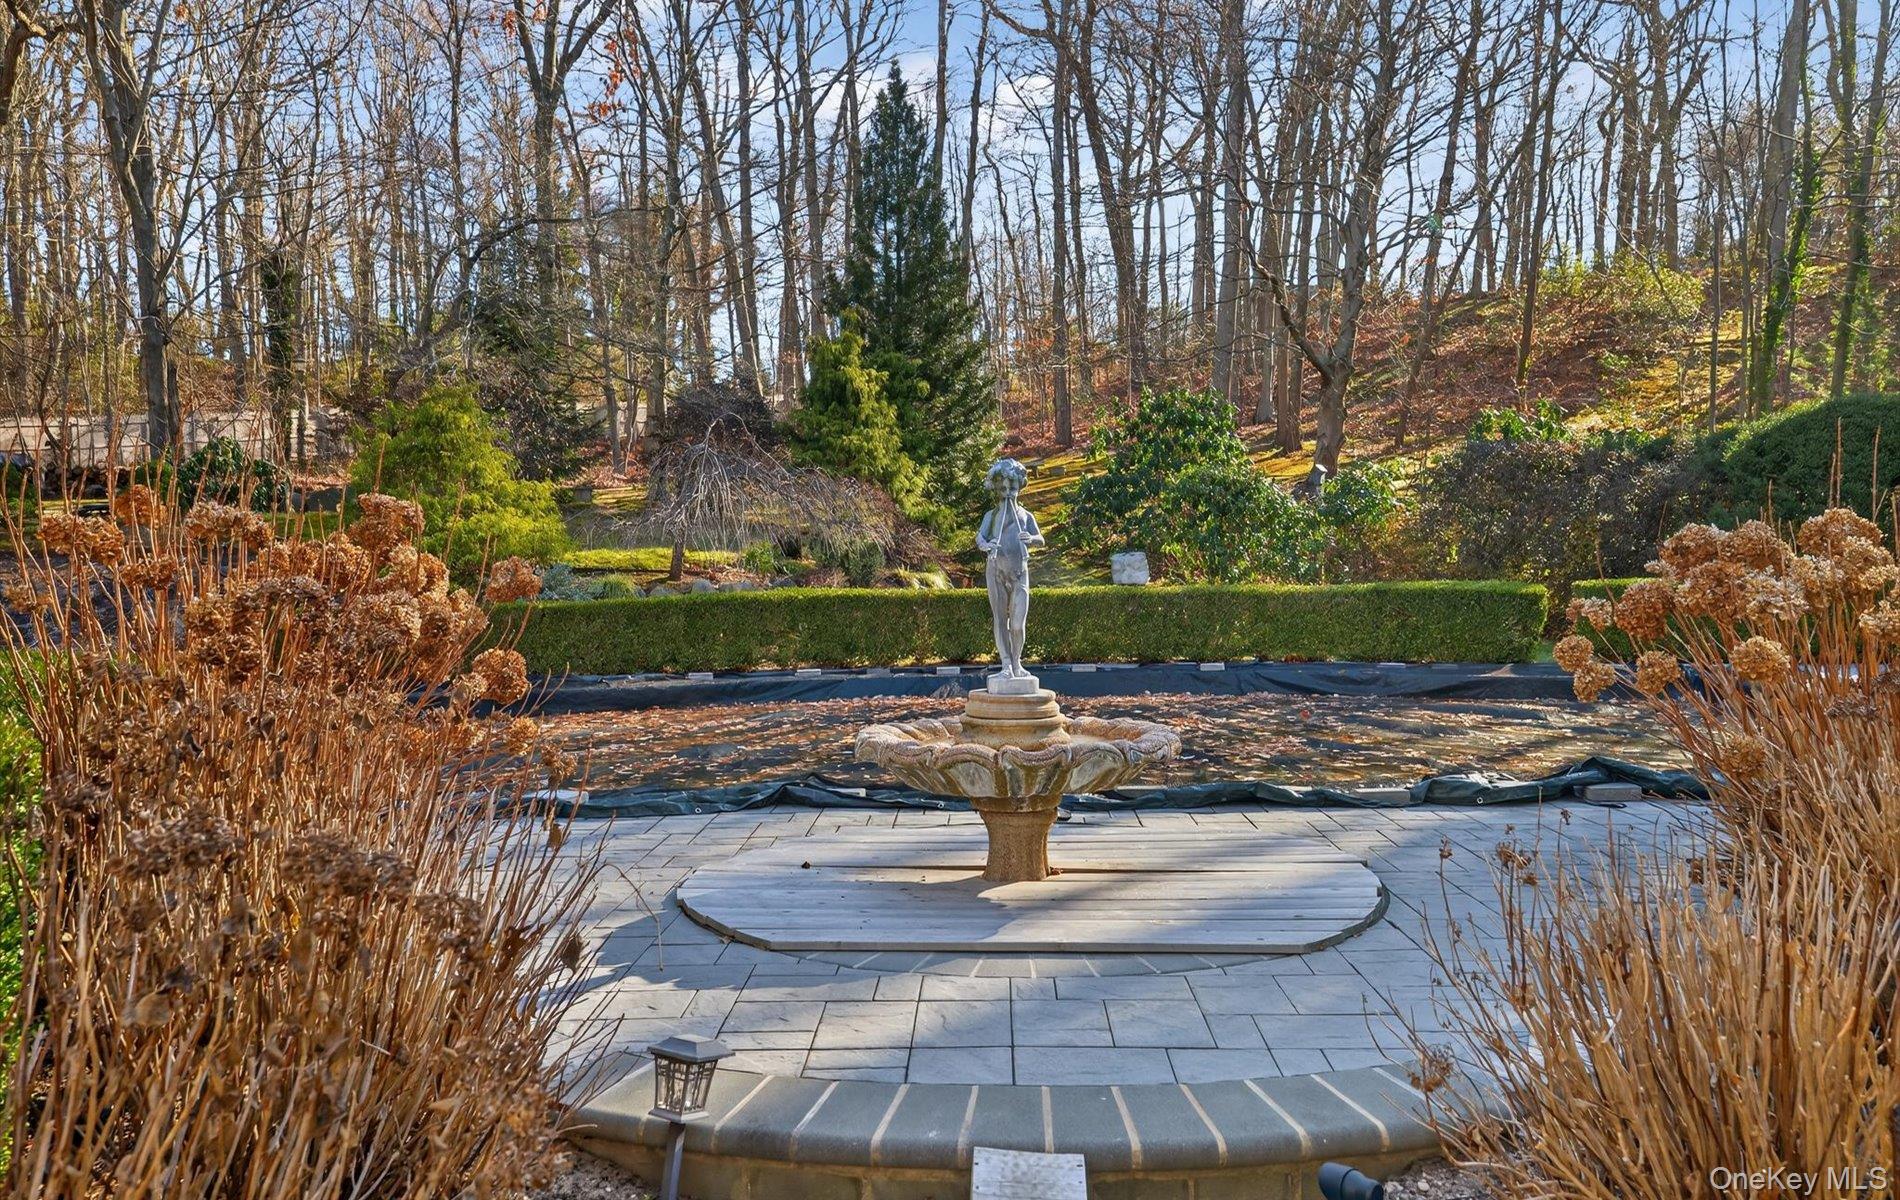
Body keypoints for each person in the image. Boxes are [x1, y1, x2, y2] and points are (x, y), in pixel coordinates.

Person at [975, 458, 1044, 682]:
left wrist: (1031, 538)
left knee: (1017, 623)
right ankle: (1005, 663)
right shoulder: (992, 515)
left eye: (1012, 487)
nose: (1008, 493)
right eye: (1003, 488)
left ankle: (1017, 661)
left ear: (1019, 487)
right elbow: (980, 537)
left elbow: (1040, 539)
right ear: (997, 489)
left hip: (1019, 572)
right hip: (996, 571)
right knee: (999, 619)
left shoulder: (1026, 516)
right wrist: (986, 545)